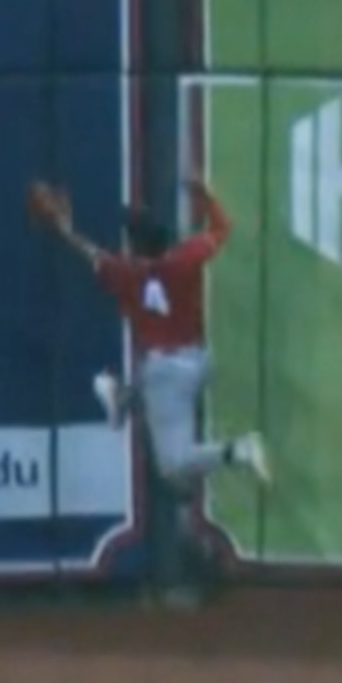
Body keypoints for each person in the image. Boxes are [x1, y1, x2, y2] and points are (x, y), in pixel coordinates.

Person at [31, 175, 269, 491]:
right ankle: (122, 396)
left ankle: (237, 450)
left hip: (166, 374)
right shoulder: (185, 258)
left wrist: (65, 230)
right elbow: (221, 228)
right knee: (142, 385)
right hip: (198, 360)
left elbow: (91, 253)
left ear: (134, 245)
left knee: (172, 466)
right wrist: (205, 196)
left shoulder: (124, 272)